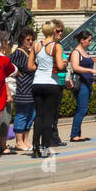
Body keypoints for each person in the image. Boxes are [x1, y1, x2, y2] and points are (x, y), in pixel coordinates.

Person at [31, 21, 67, 158]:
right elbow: (59, 65)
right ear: (53, 32)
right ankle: (45, 147)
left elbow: (30, 66)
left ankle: (35, 146)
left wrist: (41, 69)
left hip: (37, 82)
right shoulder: (56, 46)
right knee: (48, 117)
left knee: (39, 116)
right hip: (51, 83)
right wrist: (64, 63)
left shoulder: (36, 45)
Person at [9, 27, 37, 151]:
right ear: (21, 40)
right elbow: (8, 63)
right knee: (22, 115)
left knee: (31, 115)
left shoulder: (28, 52)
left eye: (31, 40)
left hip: (31, 88)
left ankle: (26, 140)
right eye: (28, 39)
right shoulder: (19, 52)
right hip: (22, 88)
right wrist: (16, 71)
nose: (30, 42)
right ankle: (19, 141)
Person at [68, 30, 96, 141]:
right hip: (81, 84)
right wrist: (91, 71)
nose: (90, 43)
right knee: (82, 109)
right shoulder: (76, 52)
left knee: (81, 108)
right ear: (82, 40)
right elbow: (75, 67)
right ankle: (74, 135)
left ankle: (77, 133)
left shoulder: (84, 52)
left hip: (87, 84)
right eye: (88, 40)